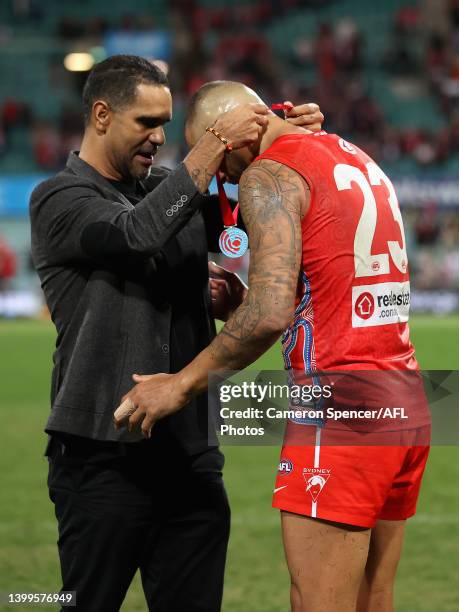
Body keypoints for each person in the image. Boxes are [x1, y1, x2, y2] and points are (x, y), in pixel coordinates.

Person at [116, 80, 431, 612]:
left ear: (238, 138)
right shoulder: (349, 152)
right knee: (372, 599)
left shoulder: (269, 173)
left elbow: (268, 315)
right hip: (403, 397)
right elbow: (328, 288)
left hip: (339, 409)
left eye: (220, 162)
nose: (223, 179)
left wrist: (181, 385)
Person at [30, 55, 324, 612]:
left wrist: (285, 141)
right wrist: (213, 141)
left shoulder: (174, 190)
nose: (159, 137)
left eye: (165, 122)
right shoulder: (58, 200)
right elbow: (137, 233)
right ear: (99, 115)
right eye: (145, 123)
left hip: (189, 459)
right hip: (100, 459)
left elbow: (259, 198)